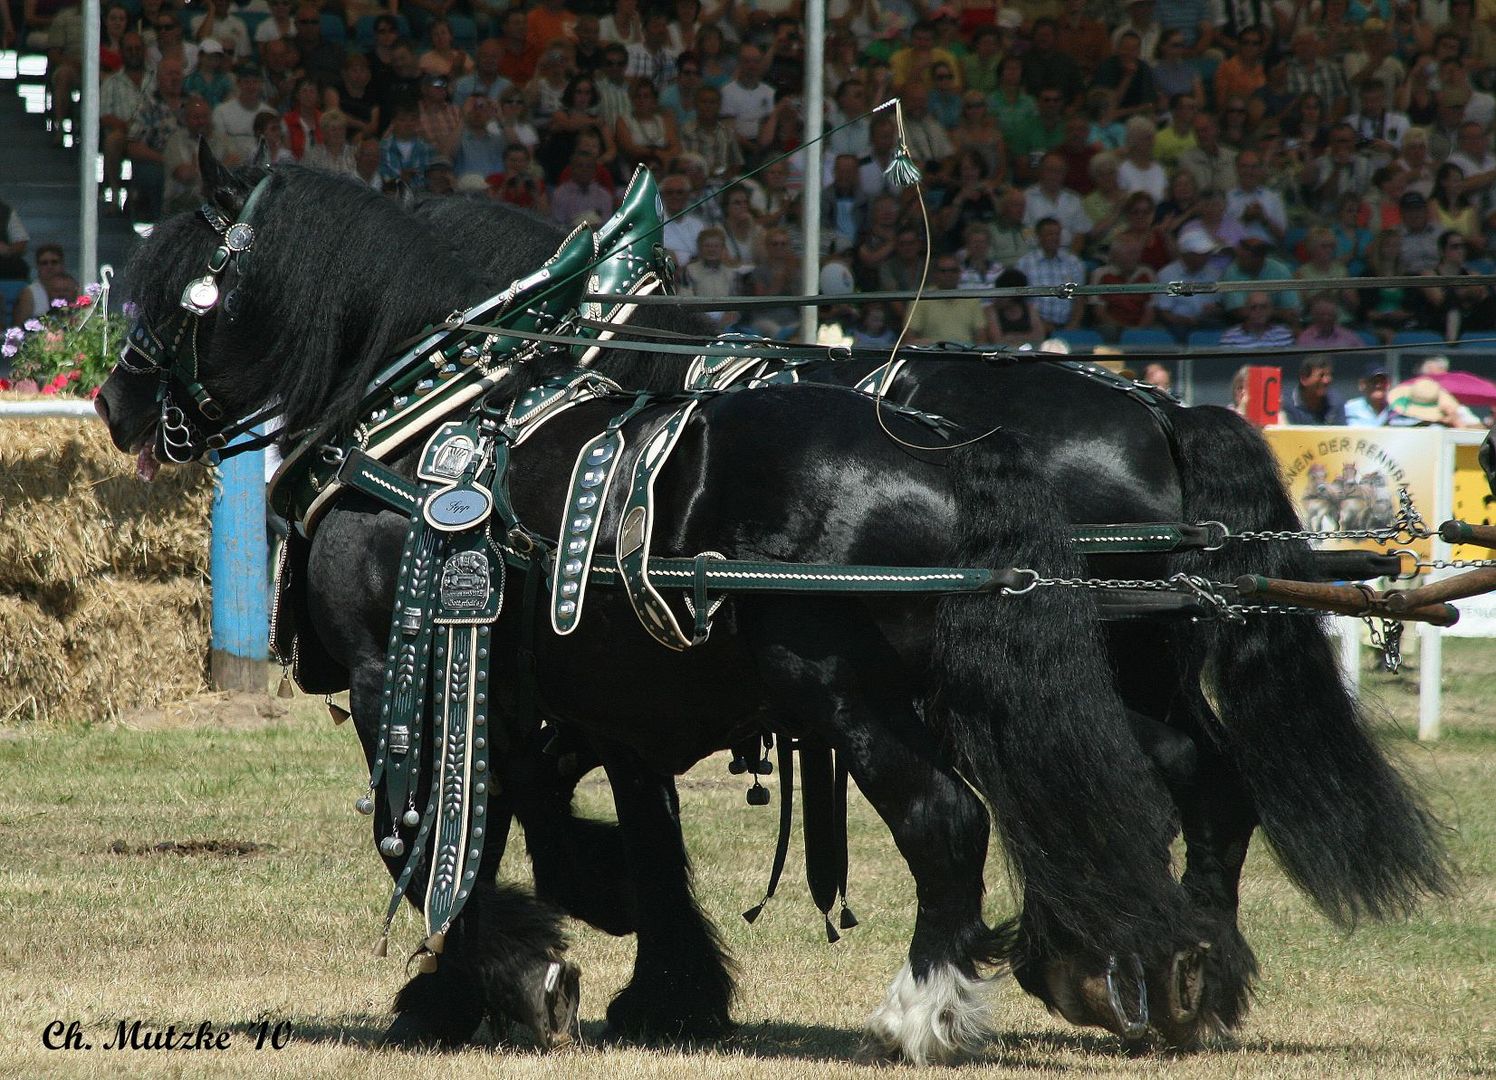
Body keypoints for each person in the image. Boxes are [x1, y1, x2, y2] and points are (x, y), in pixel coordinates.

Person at [1015, 217, 1086, 334]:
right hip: (1034, 328)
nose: (1054, 238)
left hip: (1069, 328)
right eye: (1049, 234)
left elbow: (1080, 300)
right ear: (1038, 237)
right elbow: (1021, 300)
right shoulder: (1024, 264)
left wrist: (1071, 327)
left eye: (1057, 234)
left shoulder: (1073, 262)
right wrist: (1040, 325)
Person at [905, 257, 998, 344]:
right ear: (935, 274)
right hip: (932, 356)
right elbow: (909, 335)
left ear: (960, 273)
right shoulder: (921, 298)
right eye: (943, 271)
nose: (948, 275)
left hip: (964, 356)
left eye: (953, 271)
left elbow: (981, 336)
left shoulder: (971, 298)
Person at [1155, 229, 1224, 339]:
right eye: (1201, 254)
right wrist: (1184, 320)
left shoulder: (1214, 274)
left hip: (1207, 322)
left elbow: (1219, 304)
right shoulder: (1169, 275)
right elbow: (1164, 312)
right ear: (1187, 254)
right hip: (1178, 325)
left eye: (1207, 253)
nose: (1206, 257)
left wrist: (1215, 309)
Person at [1088, 232, 1155, 340]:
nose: (1134, 257)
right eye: (1130, 253)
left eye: (1136, 253)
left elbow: (1150, 310)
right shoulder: (1101, 274)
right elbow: (1099, 312)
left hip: (1141, 327)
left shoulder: (1147, 274)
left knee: (1158, 334)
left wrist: (1138, 330)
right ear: (1115, 255)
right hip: (1112, 328)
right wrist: (1124, 330)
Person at [550, 141, 615, 228]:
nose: (584, 170)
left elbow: (607, 227)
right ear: (572, 169)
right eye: (580, 166)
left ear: (595, 170)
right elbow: (557, 226)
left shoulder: (604, 196)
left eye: (589, 167)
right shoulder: (560, 194)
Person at [1280, 355, 1349, 424]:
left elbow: (1341, 433)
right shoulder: (1286, 403)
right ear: (1304, 379)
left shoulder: (1335, 401)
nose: (1326, 380)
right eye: (1321, 376)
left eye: (1329, 375)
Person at [1223, 291, 1298, 351]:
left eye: (1264, 307)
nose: (1258, 311)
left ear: (1271, 310)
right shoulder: (1230, 337)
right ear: (1245, 310)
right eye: (1253, 307)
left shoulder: (1284, 334)